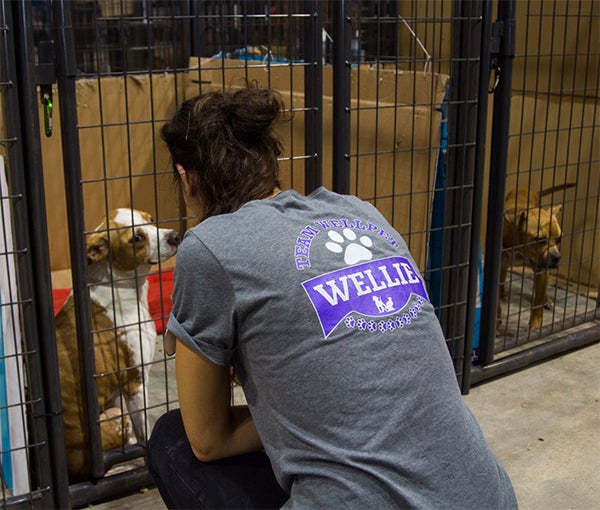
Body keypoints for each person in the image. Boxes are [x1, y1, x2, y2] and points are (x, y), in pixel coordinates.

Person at [147, 85, 518, 509]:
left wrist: (290, 409)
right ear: (271, 159)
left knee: (172, 438)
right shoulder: (362, 212)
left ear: (186, 176)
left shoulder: (210, 246)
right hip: (490, 497)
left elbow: (209, 440)